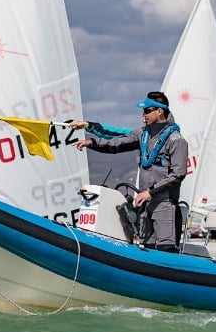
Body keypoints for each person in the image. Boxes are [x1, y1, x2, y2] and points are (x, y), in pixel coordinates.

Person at [72, 92, 188, 252]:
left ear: (160, 111)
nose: (143, 115)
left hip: (165, 205)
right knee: (146, 248)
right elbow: (117, 143)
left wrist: (150, 192)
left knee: (165, 250)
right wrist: (92, 142)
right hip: (145, 205)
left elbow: (177, 175)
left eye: (147, 111)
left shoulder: (176, 140)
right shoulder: (142, 134)